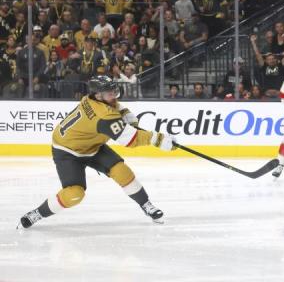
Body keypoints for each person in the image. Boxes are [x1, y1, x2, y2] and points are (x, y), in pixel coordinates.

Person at [17, 75, 176, 229]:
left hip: (92, 146)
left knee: (121, 171)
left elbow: (116, 106)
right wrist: (159, 140)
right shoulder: (103, 115)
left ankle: (145, 204)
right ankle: (37, 213)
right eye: (109, 93)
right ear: (98, 95)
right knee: (75, 194)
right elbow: (130, 140)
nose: (114, 95)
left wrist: (126, 115)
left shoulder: (93, 98)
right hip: (67, 152)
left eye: (114, 91)